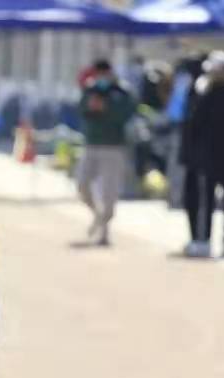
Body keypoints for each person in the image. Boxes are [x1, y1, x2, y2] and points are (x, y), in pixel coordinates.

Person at [77, 60, 136, 246]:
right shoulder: (90, 89)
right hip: (91, 145)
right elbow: (81, 109)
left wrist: (106, 108)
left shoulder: (121, 92)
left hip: (113, 147)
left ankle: (104, 231)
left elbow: (127, 113)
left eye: (104, 74)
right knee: (82, 185)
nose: (101, 78)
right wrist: (90, 107)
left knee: (109, 193)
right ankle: (98, 215)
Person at [183, 51, 224, 257]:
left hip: (212, 156)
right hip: (211, 155)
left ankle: (210, 241)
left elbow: (194, 125)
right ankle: (213, 241)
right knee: (209, 200)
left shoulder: (205, 92)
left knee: (207, 200)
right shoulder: (204, 90)